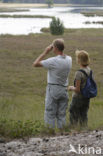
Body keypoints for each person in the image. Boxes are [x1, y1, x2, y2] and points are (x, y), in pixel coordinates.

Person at [33, 39, 72, 129]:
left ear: (54, 48)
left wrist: (45, 52)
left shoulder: (52, 61)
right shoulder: (69, 59)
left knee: (50, 114)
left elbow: (35, 64)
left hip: (53, 89)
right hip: (64, 89)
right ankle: (62, 133)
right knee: (61, 115)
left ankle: (49, 134)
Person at [68, 50, 91, 127]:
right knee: (83, 116)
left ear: (79, 60)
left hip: (78, 98)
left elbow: (77, 89)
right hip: (86, 98)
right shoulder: (89, 70)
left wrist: (71, 88)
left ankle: (72, 131)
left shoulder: (79, 73)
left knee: (73, 116)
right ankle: (84, 132)